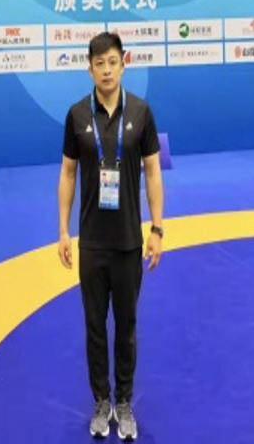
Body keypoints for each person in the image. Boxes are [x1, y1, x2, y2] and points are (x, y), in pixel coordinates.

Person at [57, 32, 164, 441]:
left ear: (124, 63)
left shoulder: (141, 112)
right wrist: (63, 231)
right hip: (92, 243)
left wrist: (157, 228)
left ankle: (124, 402)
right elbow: (68, 173)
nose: (106, 70)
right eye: (99, 63)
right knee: (95, 327)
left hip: (129, 242)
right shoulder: (76, 115)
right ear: (89, 69)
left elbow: (152, 172)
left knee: (127, 326)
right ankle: (102, 401)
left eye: (112, 62)